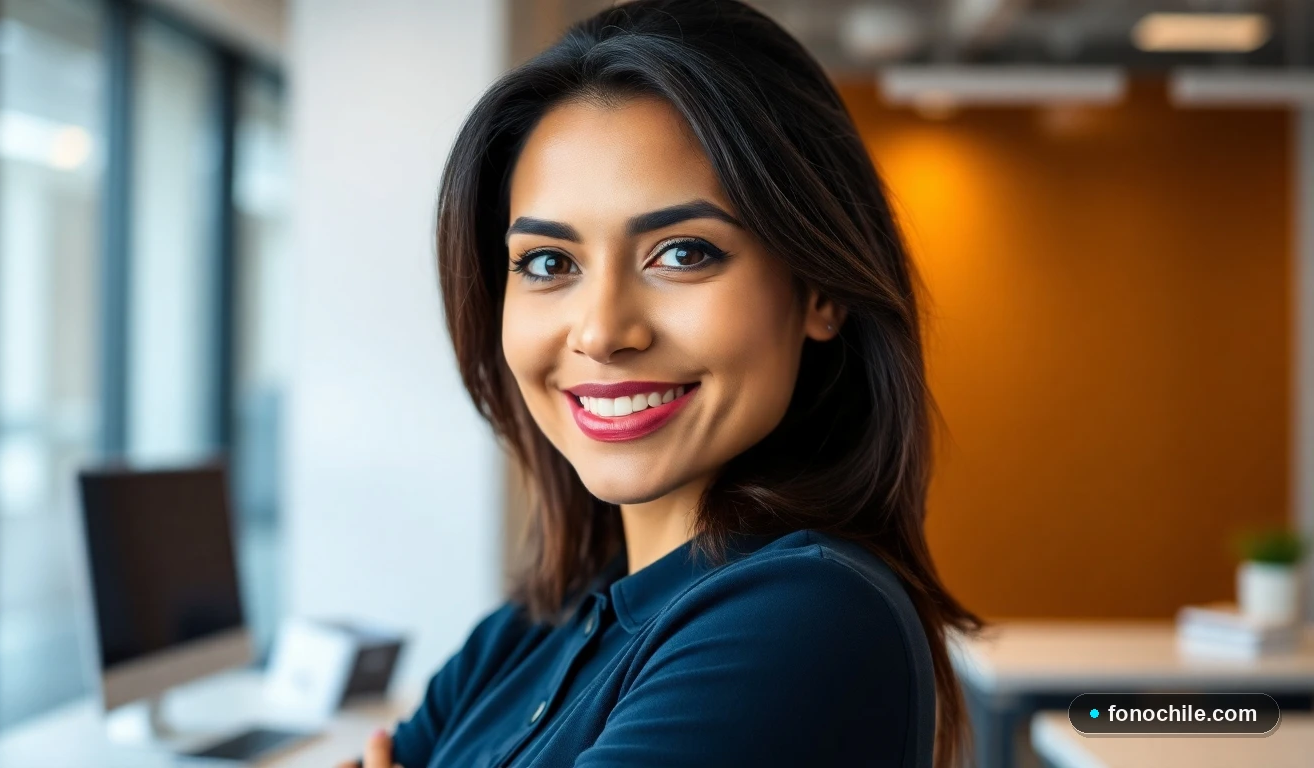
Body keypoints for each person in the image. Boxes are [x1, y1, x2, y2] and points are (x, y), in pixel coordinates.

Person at [345, 1, 980, 765]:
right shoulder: (529, 629)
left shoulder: (806, 618)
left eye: (682, 253)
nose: (602, 331)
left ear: (819, 289)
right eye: (550, 263)